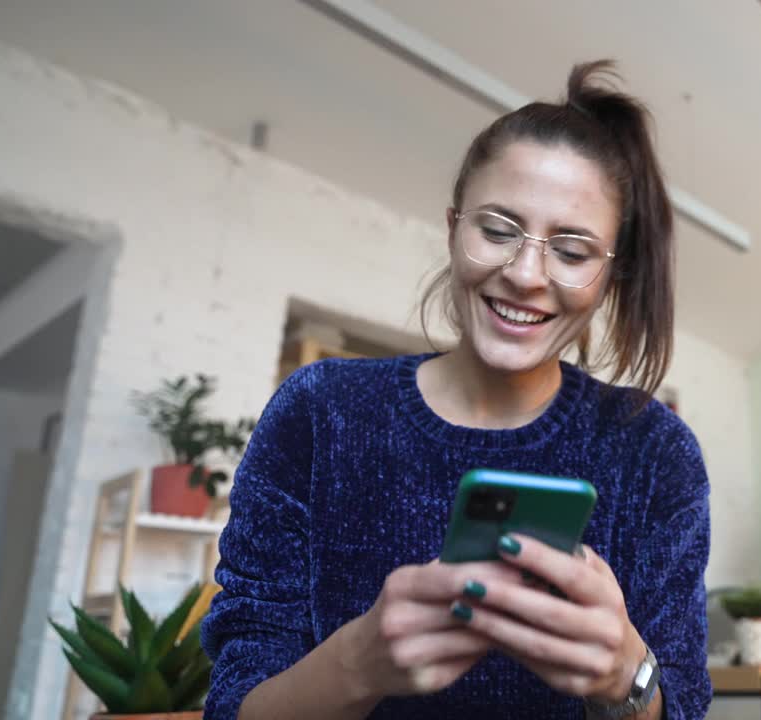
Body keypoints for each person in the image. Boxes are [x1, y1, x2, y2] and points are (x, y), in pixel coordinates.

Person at [200, 61, 712, 719]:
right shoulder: (320, 410)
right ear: (453, 227)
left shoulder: (654, 452)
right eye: (498, 229)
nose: (526, 273)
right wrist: (357, 663)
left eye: (574, 250)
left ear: (609, 276)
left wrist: (625, 677)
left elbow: (683, 708)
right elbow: (235, 706)